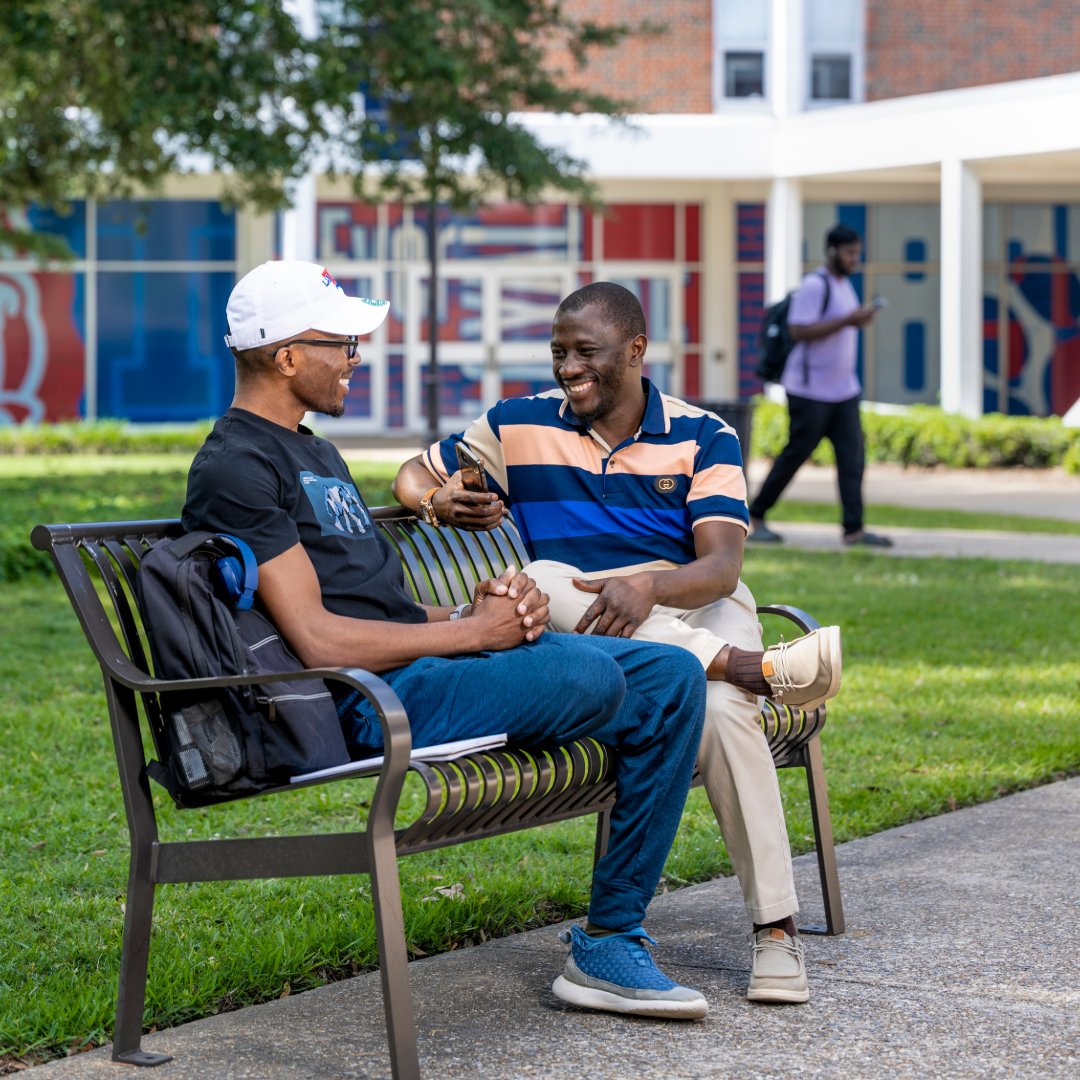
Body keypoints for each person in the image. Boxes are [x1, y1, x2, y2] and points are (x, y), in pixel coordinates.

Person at [181, 260, 713, 1021]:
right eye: (343, 344)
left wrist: (482, 609)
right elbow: (317, 638)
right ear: (287, 355)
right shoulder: (237, 465)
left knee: (669, 679)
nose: (356, 360)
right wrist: (474, 634)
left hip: (416, 668)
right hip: (369, 702)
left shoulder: (312, 451)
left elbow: (380, 609)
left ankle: (610, 942)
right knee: (596, 681)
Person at [394, 281, 845, 1005]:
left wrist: (651, 588)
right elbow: (416, 471)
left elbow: (722, 567)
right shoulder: (519, 423)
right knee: (548, 577)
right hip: (584, 615)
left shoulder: (703, 434)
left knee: (720, 704)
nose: (568, 369)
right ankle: (757, 671)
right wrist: (433, 499)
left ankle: (776, 932)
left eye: (586, 352)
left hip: (692, 602)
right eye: (558, 353)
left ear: (635, 351)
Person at [748, 224, 892, 547]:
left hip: (843, 391)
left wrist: (858, 319)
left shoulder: (844, 286)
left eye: (857, 252)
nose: (855, 259)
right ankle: (755, 516)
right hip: (810, 391)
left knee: (852, 459)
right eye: (850, 252)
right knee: (795, 455)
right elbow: (799, 329)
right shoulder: (816, 285)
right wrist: (848, 320)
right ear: (832, 251)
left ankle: (853, 530)